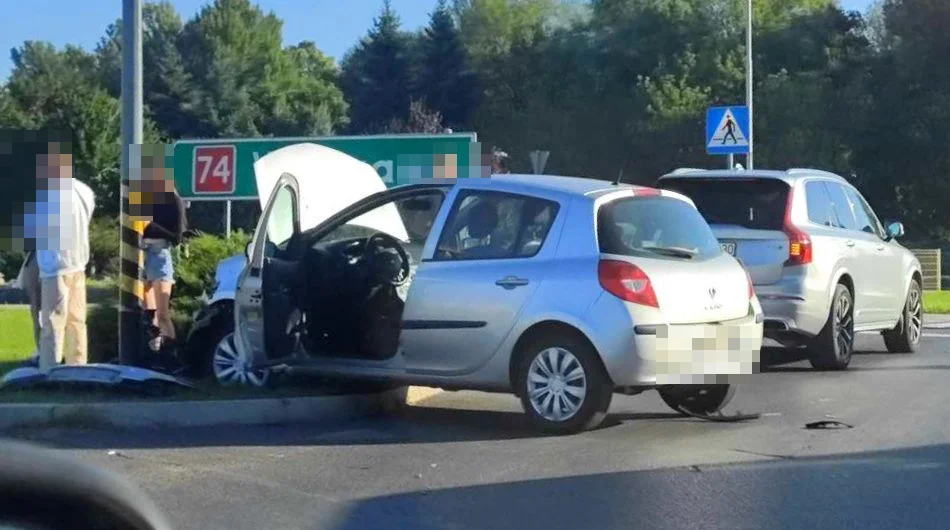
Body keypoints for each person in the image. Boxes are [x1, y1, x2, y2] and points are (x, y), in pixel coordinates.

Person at [33, 140, 95, 372]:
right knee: (77, 320)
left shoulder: (45, 193)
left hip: (54, 265)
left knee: (52, 321)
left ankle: (49, 368)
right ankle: (78, 366)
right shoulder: (83, 190)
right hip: (78, 261)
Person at [141, 155, 187, 352]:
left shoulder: (174, 200)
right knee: (146, 313)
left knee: (162, 313)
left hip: (160, 253)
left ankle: (171, 352)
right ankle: (153, 351)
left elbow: (177, 236)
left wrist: (150, 226)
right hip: (141, 254)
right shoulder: (144, 197)